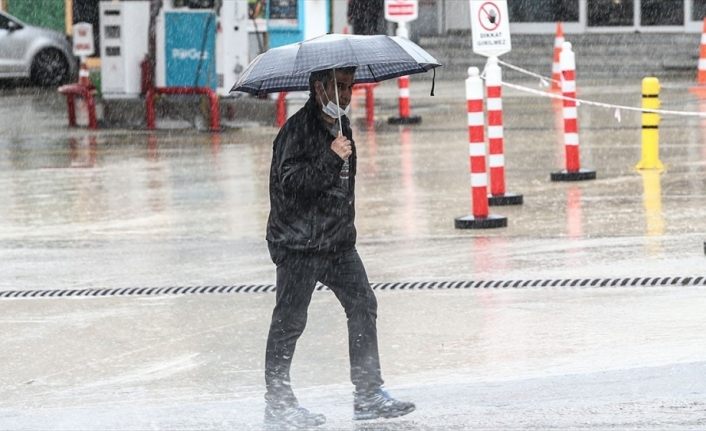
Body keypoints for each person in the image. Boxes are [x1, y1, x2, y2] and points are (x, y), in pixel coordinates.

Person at [263, 67, 415, 428]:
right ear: (319, 88)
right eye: (340, 87)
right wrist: (331, 157)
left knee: (363, 304)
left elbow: (342, 190)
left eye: (350, 87)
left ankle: (367, 394)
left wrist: (346, 231)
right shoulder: (297, 130)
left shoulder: (341, 125)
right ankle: (278, 401)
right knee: (289, 321)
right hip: (299, 243)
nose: (346, 95)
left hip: (336, 242)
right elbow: (291, 183)